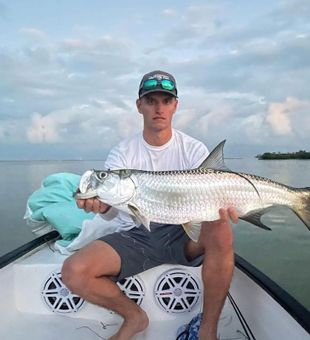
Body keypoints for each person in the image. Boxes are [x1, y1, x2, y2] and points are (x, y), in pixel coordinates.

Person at [61, 70, 238, 340]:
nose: (158, 108)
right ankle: (134, 316)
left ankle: (207, 331)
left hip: (183, 232)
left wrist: (227, 207)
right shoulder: (123, 153)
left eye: (166, 101)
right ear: (139, 105)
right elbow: (111, 210)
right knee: (73, 271)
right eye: (151, 100)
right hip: (137, 235)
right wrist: (101, 205)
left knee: (222, 227)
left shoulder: (193, 149)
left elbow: (212, 199)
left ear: (175, 106)